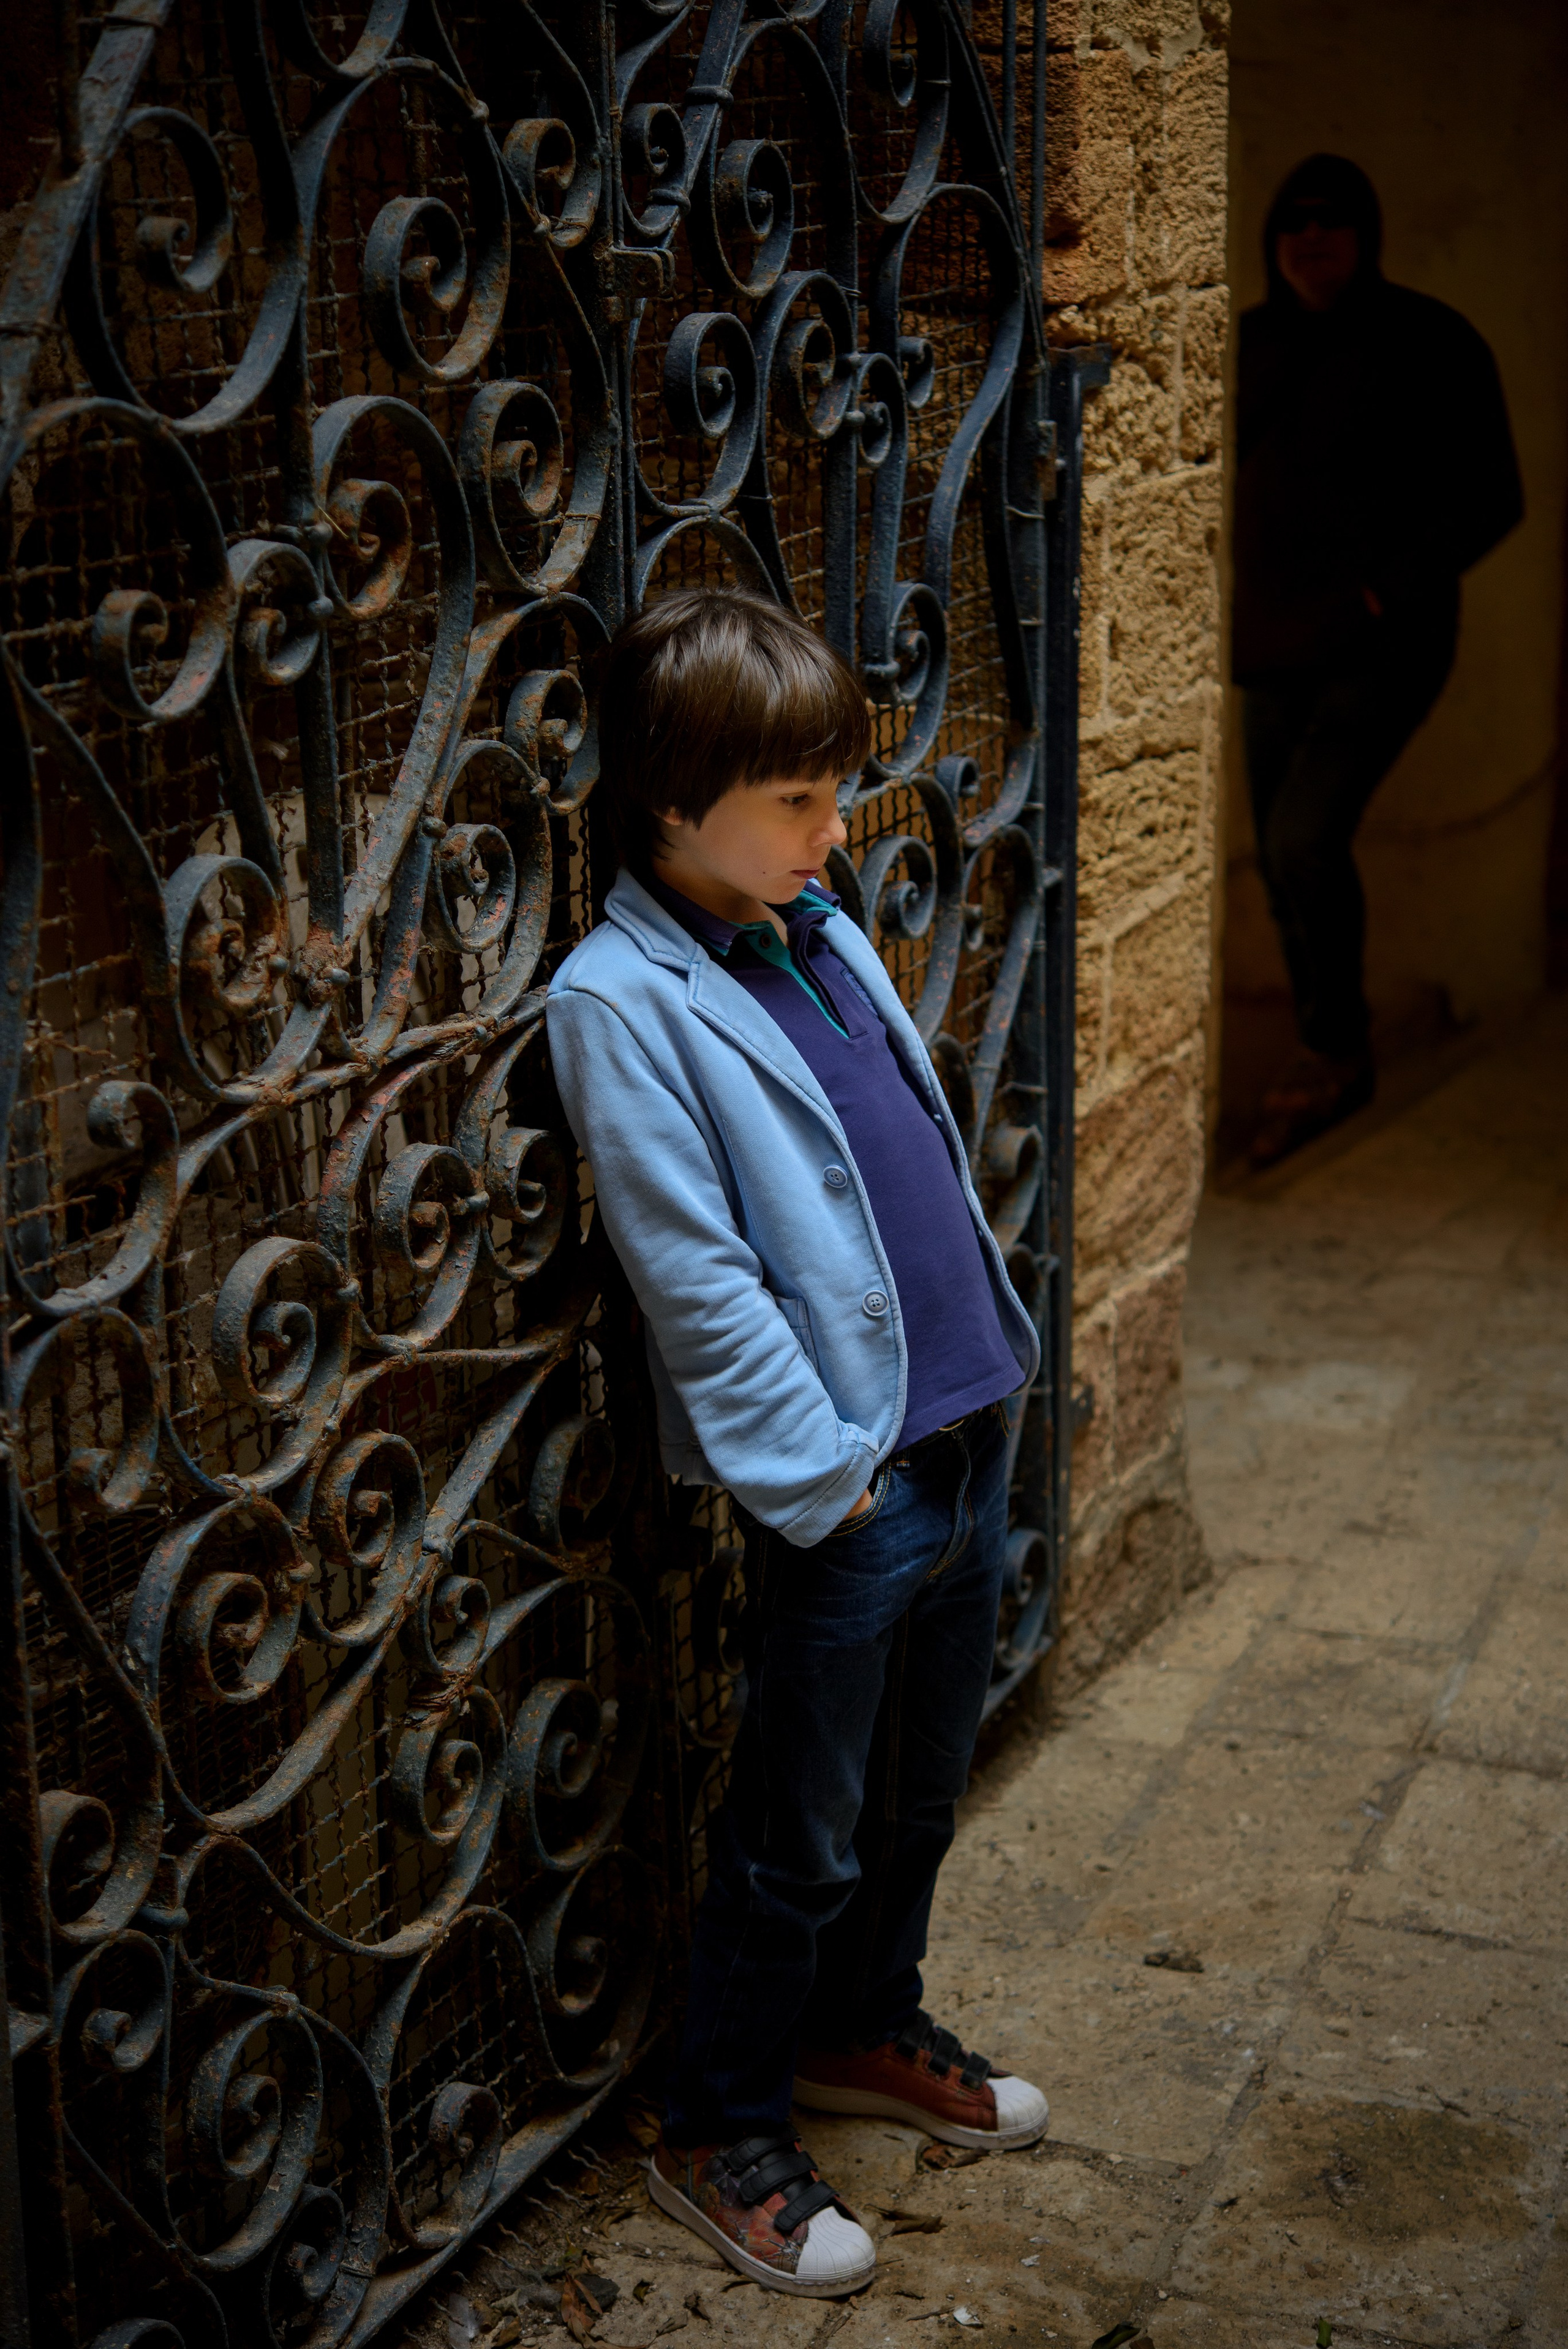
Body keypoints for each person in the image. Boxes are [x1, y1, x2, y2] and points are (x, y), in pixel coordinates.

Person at [546, 590, 1049, 2299]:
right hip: (861, 1487)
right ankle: (723, 2119)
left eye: (839, 795)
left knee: (919, 1795)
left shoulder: (810, 918)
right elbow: (693, 1275)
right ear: (674, 798)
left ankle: (862, 2025)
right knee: (801, 1831)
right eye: (801, 801)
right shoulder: (623, 998)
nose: (838, 833)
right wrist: (826, 1485)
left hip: (966, 1435)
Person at [1234, 153, 1523, 1167]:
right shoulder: (1253, 344)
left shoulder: (1428, 340)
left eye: (1333, 221)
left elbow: (1495, 495)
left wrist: (1384, 590)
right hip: (1268, 647)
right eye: (1292, 222)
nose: (1311, 238)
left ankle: (1335, 1047)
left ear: (1368, 234)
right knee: (1279, 855)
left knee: (1305, 838)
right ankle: (1328, 1037)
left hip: (1381, 647)